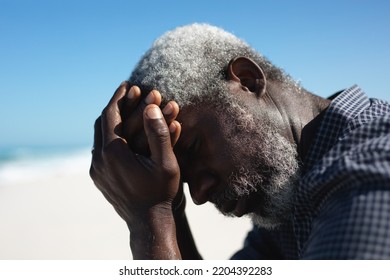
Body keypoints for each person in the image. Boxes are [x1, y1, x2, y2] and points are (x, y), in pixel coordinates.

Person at [90, 23, 390, 259]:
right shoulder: (291, 195)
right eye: (181, 180)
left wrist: (148, 220)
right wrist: (169, 210)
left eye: (194, 149)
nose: (200, 194)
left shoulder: (370, 170)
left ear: (246, 80)